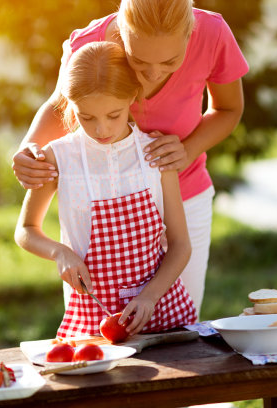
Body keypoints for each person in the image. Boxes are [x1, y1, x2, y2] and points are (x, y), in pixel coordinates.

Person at [13, 0, 249, 316]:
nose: (152, 75)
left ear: (190, 33)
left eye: (170, 61)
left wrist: (186, 151)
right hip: (108, 202)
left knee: (179, 323)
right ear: (121, 31)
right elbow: (61, 107)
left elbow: (228, 110)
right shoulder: (90, 45)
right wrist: (29, 149)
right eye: (137, 60)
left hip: (186, 191)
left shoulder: (213, 33)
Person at [15, 41, 197, 338]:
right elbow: (26, 229)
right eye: (86, 117)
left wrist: (149, 297)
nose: (101, 129)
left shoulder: (156, 153)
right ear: (70, 105)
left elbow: (180, 245)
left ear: (132, 97)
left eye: (113, 115)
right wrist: (60, 252)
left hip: (162, 315)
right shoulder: (58, 157)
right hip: (94, 322)